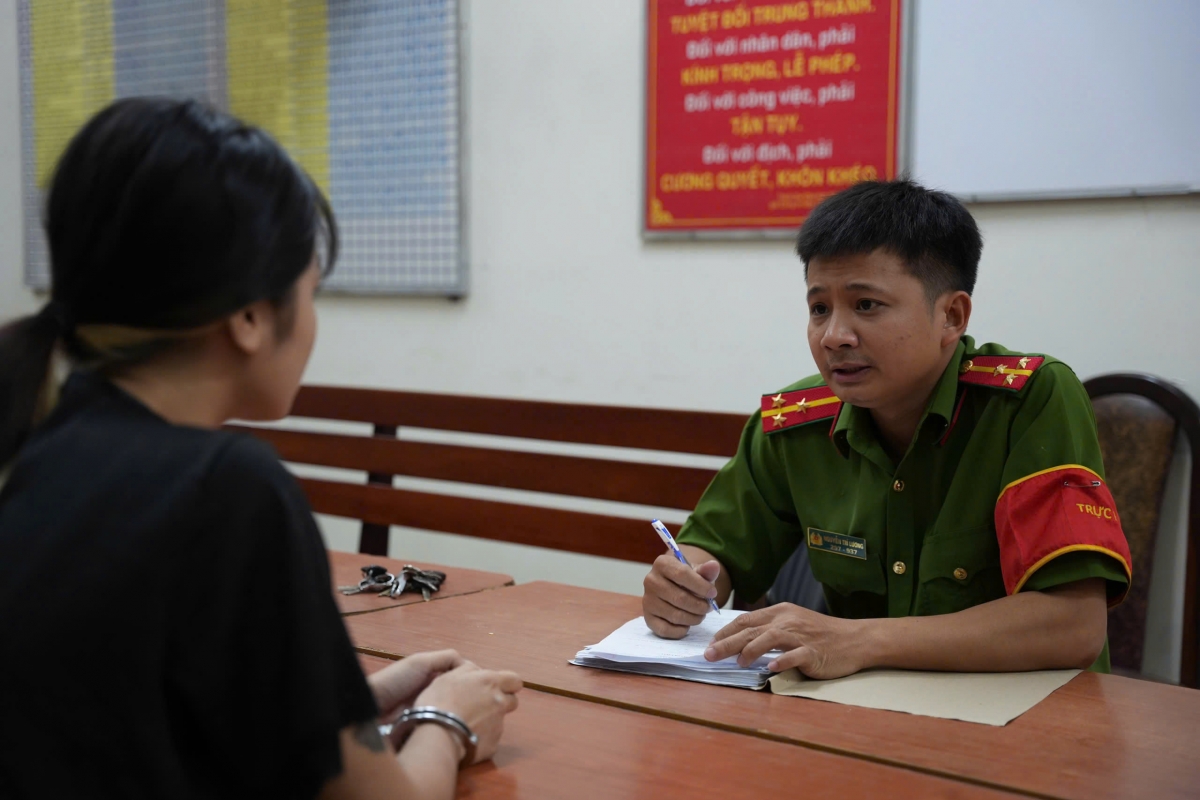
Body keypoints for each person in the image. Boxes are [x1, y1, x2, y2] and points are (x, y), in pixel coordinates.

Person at [0, 98, 520, 799]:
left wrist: (349, 701)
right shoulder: (228, 488)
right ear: (248, 316)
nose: (312, 320)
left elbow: (133, 719)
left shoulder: (45, 452)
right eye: (310, 289)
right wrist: (447, 722)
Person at [642, 179, 1132, 679]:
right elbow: (718, 553)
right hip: (865, 717)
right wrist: (686, 586)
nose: (834, 336)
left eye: (866, 305)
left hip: (1028, 719)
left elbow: (1072, 623)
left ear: (951, 316)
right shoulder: (795, 423)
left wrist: (858, 639)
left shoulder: (1030, 400)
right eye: (819, 308)